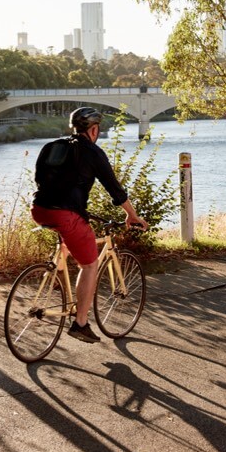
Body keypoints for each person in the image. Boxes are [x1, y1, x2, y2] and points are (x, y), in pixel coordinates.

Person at [31, 107, 149, 344]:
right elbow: (114, 189)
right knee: (90, 264)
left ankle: (58, 270)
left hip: (39, 209)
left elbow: (40, 178)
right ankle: (81, 323)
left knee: (71, 234)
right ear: (94, 130)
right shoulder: (93, 152)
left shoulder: (51, 146)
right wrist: (132, 216)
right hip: (66, 214)